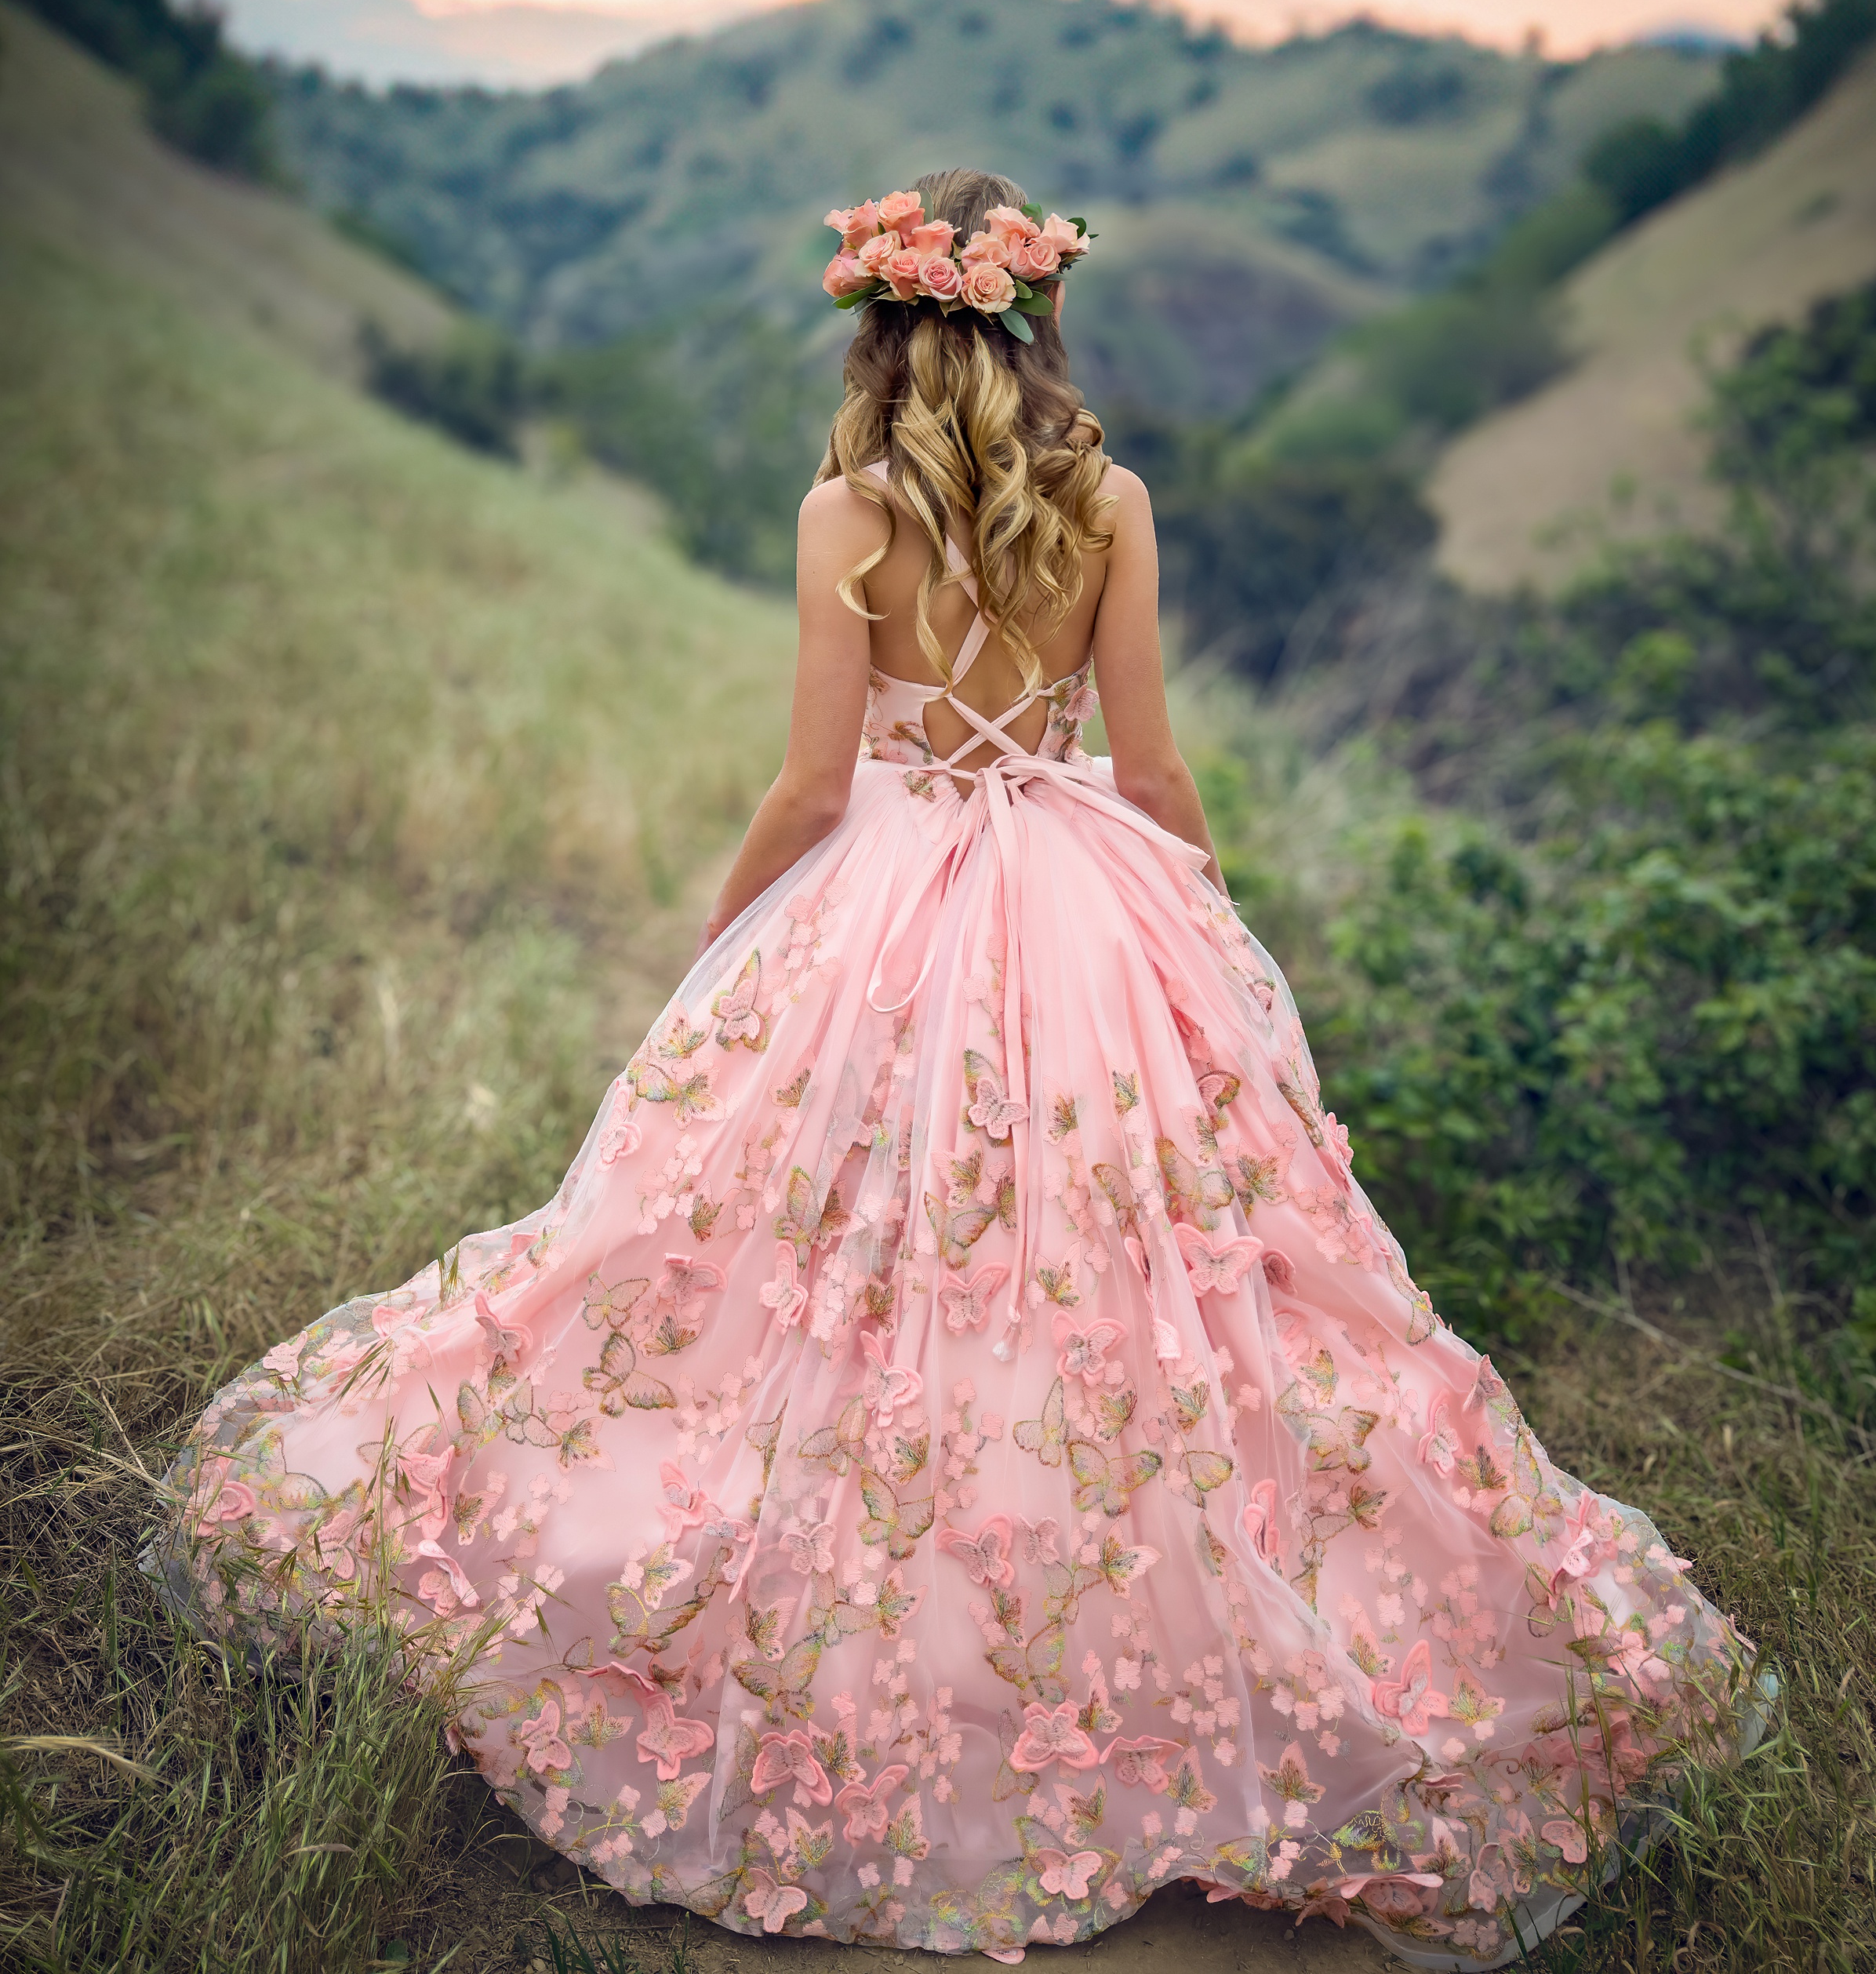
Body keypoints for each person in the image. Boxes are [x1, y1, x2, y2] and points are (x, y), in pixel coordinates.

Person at [151, 168, 1772, 1965]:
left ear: (880, 324)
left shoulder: (843, 512)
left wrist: (726, 942)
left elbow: (811, 785)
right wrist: (1210, 941)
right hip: (1083, 903)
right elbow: (1147, 764)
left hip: (885, 902)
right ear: (1029, 318)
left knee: (797, 1264)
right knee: (1129, 1281)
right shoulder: (1109, 500)